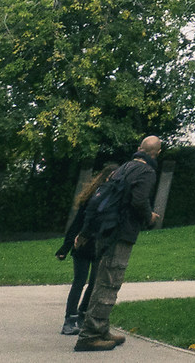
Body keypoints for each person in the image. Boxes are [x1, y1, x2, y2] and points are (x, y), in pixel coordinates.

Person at [72, 137, 163, 353]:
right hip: (121, 232)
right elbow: (139, 200)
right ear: (157, 153)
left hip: (105, 230)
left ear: (139, 149)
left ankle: (101, 329)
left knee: (102, 281)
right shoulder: (147, 172)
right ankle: (90, 336)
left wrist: (86, 232)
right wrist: (149, 217)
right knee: (110, 283)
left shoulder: (123, 168)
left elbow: (98, 200)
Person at [54, 170, 107, 336]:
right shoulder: (92, 200)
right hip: (83, 245)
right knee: (80, 281)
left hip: (98, 245)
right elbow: (77, 223)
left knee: (94, 282)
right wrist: (65, 247)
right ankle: (70, 318)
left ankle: (82, 313)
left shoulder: (111, 200)